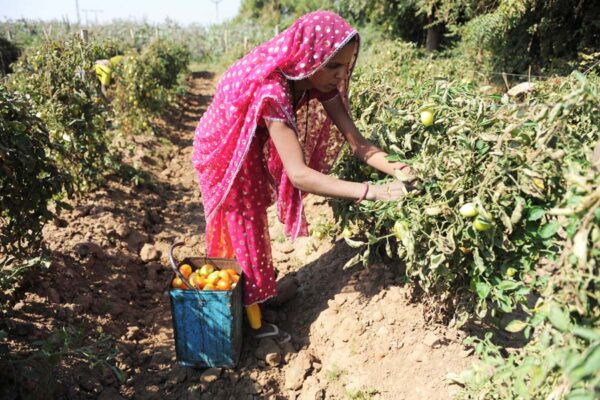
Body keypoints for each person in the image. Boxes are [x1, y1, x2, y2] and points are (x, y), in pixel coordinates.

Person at [192, 11, 417, 341]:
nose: (340, 76)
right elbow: (299, 175)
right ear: (310, 56)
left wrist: (399, 169)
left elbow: (358, 144)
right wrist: (374, 191)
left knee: (253, 221)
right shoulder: (273, 92)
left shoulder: (316, 81)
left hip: (247, 143)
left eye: (345, 66)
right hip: (224, 150)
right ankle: (252, 324)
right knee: (243, 222)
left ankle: (260, 297)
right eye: (333, 65)